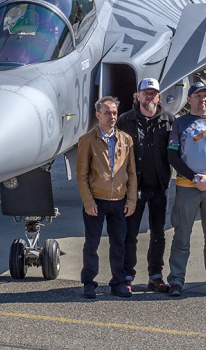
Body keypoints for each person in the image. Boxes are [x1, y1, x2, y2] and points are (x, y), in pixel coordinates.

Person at [166, 81, 206, 297]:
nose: (202, 99)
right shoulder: (180, 123)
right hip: (187, 187)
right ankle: (176, 280)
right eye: (198, 95)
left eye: (205, 96)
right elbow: (172, 154)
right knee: (182, 234)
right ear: (189, 99)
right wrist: (193, 177)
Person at [117, 77, 174, 293]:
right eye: (145, 92)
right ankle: (127, 275)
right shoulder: (125, 120)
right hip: (134, 188)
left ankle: (156, 276)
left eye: (153, 93)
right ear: (138, 95)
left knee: (158, 233)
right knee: (130, 233)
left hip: (160, 187)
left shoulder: (169, 120)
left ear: (158, 96)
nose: (149, 96)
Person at [76, 96, 137, 299]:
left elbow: (132, 173)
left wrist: (131, 200)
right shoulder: (87, 141)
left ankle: (118, 282)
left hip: (119, 202)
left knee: (119, 244)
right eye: (108, 113)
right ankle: (89, 282)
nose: (112, 117)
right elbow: (82, 175)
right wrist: (88, 202)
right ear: (98, 115)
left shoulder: (126, 140)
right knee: (91, 244)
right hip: (97, 202)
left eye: (114, 113)